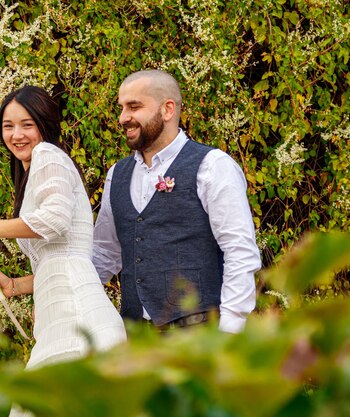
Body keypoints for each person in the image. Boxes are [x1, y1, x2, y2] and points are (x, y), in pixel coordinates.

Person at [0, 86, 126, 373]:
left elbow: (55, 220)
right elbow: (58, 257)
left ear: (44, 125)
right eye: (8, 126)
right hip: (61, 315)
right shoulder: (37, 168)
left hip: (76, 316)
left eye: (27, 124)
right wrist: (14, 285)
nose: (16, 135)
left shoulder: (47, 154)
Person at [93, 69, 261, 334]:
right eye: (122, 108)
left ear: (167, 109)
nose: (123, 118)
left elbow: (239, 252)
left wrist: (230, 332)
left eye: (134, 106)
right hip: (138, 339)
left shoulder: (212, 166)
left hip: (200, 335)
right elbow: (104, 254)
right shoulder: (117, 174)